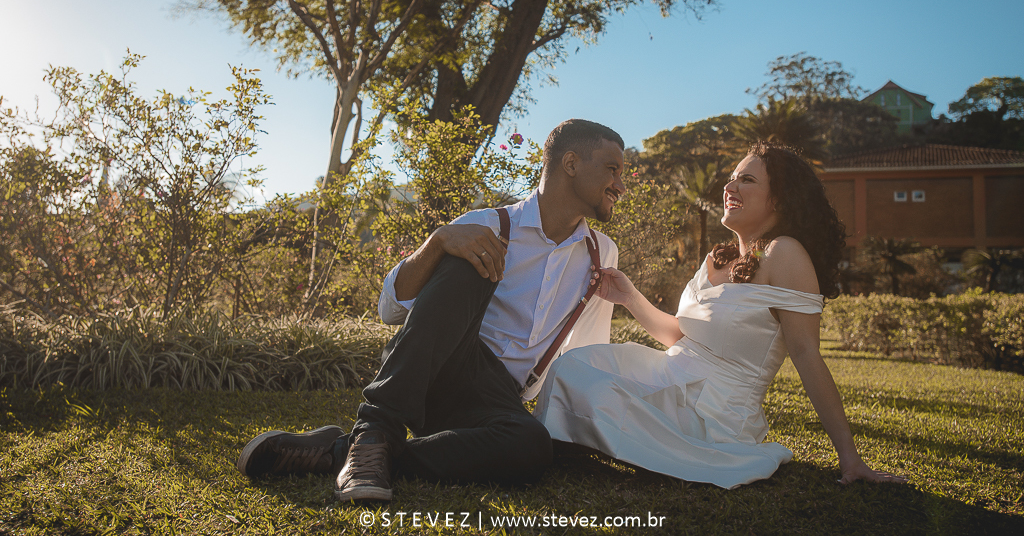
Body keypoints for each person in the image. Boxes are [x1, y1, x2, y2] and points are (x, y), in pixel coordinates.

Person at [236, 119, 625, 501]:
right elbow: (390, 310)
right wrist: (438, 241)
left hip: (498, 400)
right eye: (612, 170)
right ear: (570, 164)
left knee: (533, 447)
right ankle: (375, 429)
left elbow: (585, 351)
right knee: (471, 254)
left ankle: (347, 452)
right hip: (438, 366)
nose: (620, 186)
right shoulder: (487, 223)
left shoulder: (601, 253)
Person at [534, 142, 908, 489]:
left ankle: (578, 440)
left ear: (780, 198)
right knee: (573, 366)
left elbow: (807, 353)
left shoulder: (784, 254)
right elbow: (682, 336)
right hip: (669, 376)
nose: (730, 187)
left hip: (713, 413)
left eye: (747, 180)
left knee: (591, 387)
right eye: (731, 178)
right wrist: (629, 297)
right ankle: (576, 438)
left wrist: (849, 458)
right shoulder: (718, 258)